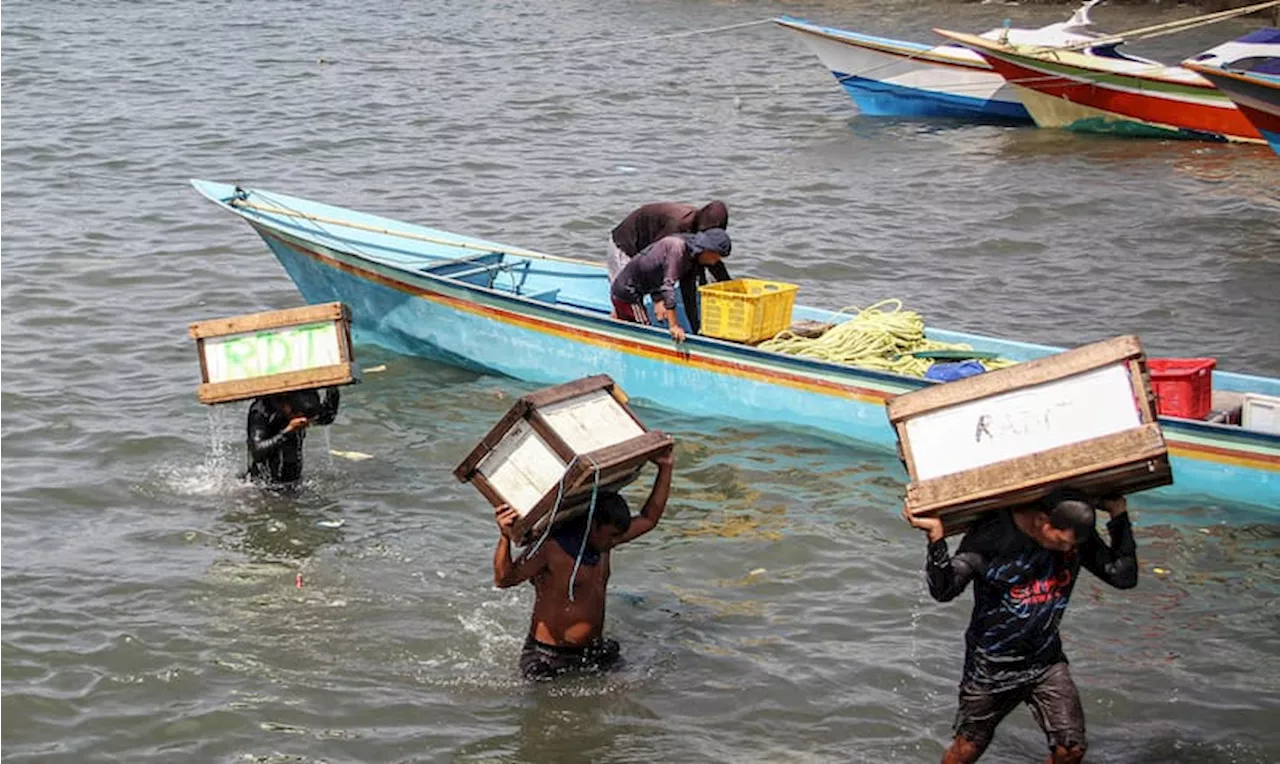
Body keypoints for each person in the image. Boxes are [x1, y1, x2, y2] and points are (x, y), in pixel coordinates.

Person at [903, 489, 1138, 764]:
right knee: (968, 748)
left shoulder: (1073, 540)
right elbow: (944, 590)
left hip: (1046, 662)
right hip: (991, 666)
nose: (1068, 551)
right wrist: (936, 538)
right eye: (1061, 543)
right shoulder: (990, 538)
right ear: (1041, 521)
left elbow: (1123, 577)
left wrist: (1118, 516)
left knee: (1071, 749)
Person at [492, 446, 675, 681]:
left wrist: (666, 467)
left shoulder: (605, 543)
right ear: (593, 524)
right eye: (609, 535)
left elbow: (650, 518)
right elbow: (503, 580)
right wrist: (505, 537)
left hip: (592, 650)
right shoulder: (552, 548)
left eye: (617, 537)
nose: (613, 543)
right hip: (547, 656)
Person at [610, 228, 731, 342]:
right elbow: (667, 287)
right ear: (707, 249)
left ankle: (616, 323)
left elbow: (689, 295)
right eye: (716, 256)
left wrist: (696, 330)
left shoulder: (692, 257)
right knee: (643, 332)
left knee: (626, 323)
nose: (714, 261)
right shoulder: (677, 248)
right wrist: (674, 326)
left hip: (642, 288)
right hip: (628, 291)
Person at [607, 200, 731, 284]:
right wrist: (658, 299)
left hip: (650, 243)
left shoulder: (701, 234)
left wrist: (729, 286)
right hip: (626, 245)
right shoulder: (678, 225)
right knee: (624, 293)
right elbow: (654, 259)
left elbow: (711, 259)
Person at [245, 386, 341, 484]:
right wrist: (288, 431)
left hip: (293, 482)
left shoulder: (302, 401)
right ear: (287, 407)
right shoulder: (261, 412)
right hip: (263, 487)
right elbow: (257, 452)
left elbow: (327, 417)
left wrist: (332, 389)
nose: (304, 422)